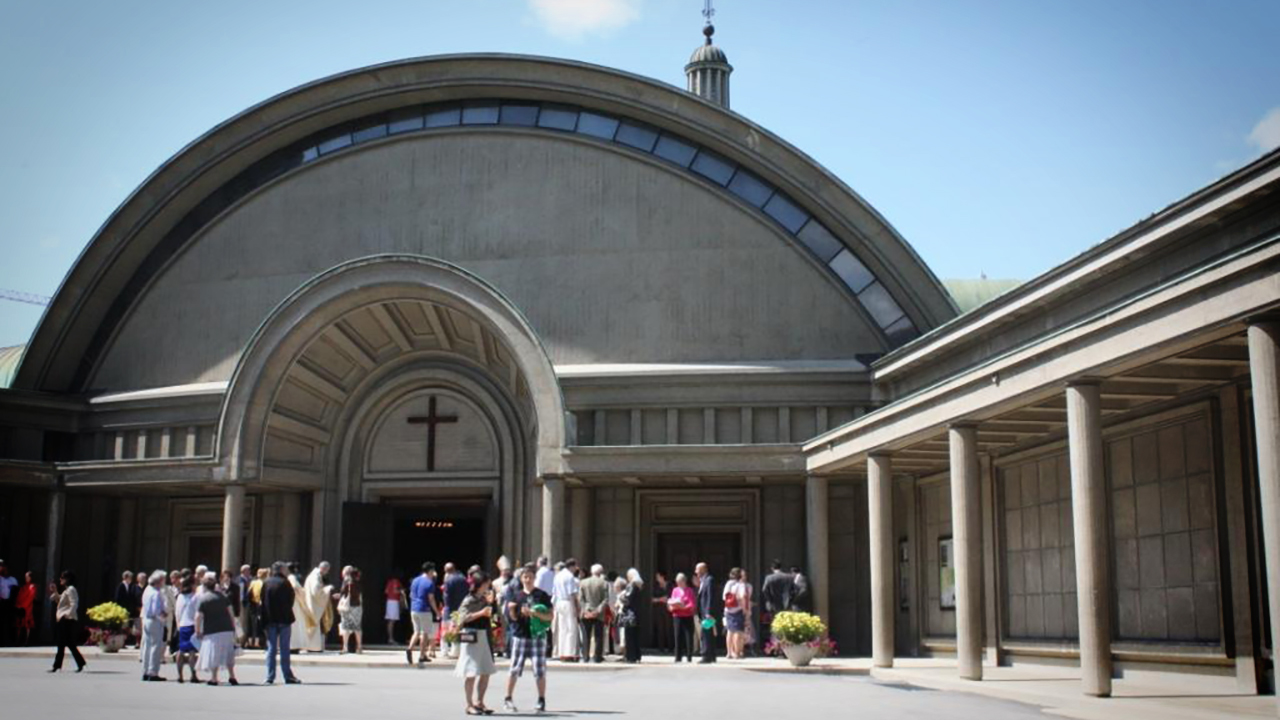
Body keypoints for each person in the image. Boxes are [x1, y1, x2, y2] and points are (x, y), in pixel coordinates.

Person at [504, 566, 552, 714]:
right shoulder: (516, 596)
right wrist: (512, 609)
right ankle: (508, 698)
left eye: (530, 576)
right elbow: (512, 618)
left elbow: (550, 616)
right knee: (514, 668)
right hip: (520, 635)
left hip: (537, 636)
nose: (528, 579)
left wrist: (534, 613)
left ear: (534, 578)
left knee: (539, 670)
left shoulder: (542, 595)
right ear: (521, 579)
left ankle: (541, 699)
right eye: (525, 577)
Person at [456, 570, 498, 715]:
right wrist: (481, 613)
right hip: (471, 636)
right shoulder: (469, 599)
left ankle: (480, 701)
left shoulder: (484, 598)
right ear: (480, 584)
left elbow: (494, 615)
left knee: (486, 670)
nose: (489, 586)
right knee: (471, 671)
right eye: (486, 583)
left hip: (484, 635)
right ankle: (469, 704)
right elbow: (461, 618)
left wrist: (492, 603)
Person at [195, 572, 240, 686]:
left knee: (214, 654)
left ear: (204, 587)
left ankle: (214, 678)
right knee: (229, 653)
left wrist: (197, 631)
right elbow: (231, 612)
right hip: (227, 629)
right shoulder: (223, 597)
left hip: (212, 630)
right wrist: (234, 628)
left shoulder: (203, 599)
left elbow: (198, 617)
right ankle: (232, 676)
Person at [262, 561, 302, 685]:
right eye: (285, 569)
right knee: (285, 648)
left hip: (270, 619)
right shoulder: (286, 583)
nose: (286, 571)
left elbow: (263, 601)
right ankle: (287, 675)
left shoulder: (266, 582)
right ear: (280, 570)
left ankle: (270, 676)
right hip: (284, 619)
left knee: (271, 649)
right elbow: (291, 599)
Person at [48, 570, 86, 673]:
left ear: (67, 579)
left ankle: (57, 665)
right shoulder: (67, 590)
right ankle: (80, 662)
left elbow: (74, 603)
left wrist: (67, 615)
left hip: (66, 620)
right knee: (69, 643)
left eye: (62, 578)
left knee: (62, 643)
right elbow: (59, 600)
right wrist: (55, 591)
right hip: (64, 619)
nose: (60, 579)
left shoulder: (71, 589)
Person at [407, 562, 439, 665]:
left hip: (414, 608)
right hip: (424, 609)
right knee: (424, 633)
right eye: (433, 570)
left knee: (416, 631)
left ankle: (410, 648)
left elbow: (411, 594)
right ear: (430, 571)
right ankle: (422, 655)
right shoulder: (429, 583)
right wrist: (437, 611)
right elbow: (431, 599)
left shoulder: (415, 580)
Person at [140, 570, 169, 681]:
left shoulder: (147, 590)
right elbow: (156, 610)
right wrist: (164, 615)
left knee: (147, 646)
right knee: (155, 647)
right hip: (155, 621)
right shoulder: (156, 593)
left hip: (147, 620)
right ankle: (153, 672)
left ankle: (145, 670)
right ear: (159, 581)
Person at [577, 564, 608, 663]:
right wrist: (597, 611)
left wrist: (586, 610)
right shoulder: (604, 583)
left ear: (591, 572)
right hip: (599, 614)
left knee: (586, 636)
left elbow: (580, 599)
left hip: (586, 612)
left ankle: (585, 657)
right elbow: (605, 599)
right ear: (600, 572)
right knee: (599, 636)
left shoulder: (583, 582)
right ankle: (597, 657)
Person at [551, 559, 580, 662]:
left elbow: (554, 592)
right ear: (572, 566)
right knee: (571, 629)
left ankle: (561, 652)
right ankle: (570, 653)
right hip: (568, 602)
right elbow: (572, 593)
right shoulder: (570, 576)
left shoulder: (557, 576)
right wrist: (576, 608)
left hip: (559, 602)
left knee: (562, 629)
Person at [174, 576, 201, 683]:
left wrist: (178, 624)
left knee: (181, 650)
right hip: (192, 625)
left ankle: (179, 675)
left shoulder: (180, 596)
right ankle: (193, 675)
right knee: (191, 651)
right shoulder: (195, 597)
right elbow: (198, 612)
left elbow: (177, 612)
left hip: (182, 624)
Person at [301, 561, 332, 652]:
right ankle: (313, 647)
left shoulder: (314, 575)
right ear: (324, 569)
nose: (327, 572)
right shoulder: (315, 576)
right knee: (314, 624)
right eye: (327, 570)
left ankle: (313, 646)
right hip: (313, 604)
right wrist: (327, 589)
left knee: (314, 625)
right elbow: (316, 592)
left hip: (312, 603)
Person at [442, 562, 470, 660]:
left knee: (446, 630)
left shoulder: (448, 580)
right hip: (461, 609)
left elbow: (446, 596)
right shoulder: (463, 579)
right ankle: (456, 651)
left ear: (447, 571)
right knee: (457, 630)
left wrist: (445, 606)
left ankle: (445, 651)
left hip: (449, 609)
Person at [667, 573, 695, 662]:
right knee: (677, 636)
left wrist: (683, 607)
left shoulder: (690, 590)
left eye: (679, 582)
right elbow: (672, 600)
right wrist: (672, 606)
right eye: (677, 582)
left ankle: (689, 656)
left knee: (688, 637)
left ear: (684, 581)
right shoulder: (675, 590)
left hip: (687, 616)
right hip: (677, 616)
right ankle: (677, 656)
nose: (678, 584)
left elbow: (692, 604)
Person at [617, 569, 643, 663]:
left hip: (629, 614)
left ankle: (631, 657)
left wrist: (620, 597)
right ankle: (637, 655)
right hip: (636, 613)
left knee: (629, 635)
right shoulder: (639, 585)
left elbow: (627, 599)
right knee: (635, 635)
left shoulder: (631, 585)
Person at [760, 561, 794, 632]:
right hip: (786, 603)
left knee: (774, 623)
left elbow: (764, 590)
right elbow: (793, 590)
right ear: (781, 568)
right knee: (786, 623)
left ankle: (775, 640)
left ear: (772, 568)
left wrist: (769, 599)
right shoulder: (789, 577)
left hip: (773, 604)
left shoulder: (769, 578)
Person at [722, 567, 747, 659]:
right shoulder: (741, 585)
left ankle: (729, 652)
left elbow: (724, 597)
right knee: (738, 631)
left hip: (728, 610)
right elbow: (742, 597)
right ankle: (736, 653)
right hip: (738, 610)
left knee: (729, 631)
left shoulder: (728, 584)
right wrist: (745, 609)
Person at [338, 566, 364, 654]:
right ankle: (359, 647)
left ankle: (345, 647)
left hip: (347, 607)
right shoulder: (358, 583)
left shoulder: (346, 582)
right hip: (357, 607)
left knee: (346, 627)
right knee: (357, 628)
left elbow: (342, 592)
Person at [695, 562, 716, 664]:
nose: (696, 572)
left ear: (703, 570)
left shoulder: (709, 580)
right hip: (703, 612)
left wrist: (708, 612)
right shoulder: (703, 581)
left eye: (697, 570)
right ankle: (711, 655)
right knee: (708, 633)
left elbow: (710, 597)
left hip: (707, 613)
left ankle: (706, 656)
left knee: (705, 634)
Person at [113, 570, 138, 647]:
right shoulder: (121, 586)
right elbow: (117, 598)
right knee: (122, 627)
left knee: (126, 626)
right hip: (122, 610)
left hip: (127, 610)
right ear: (126, 577)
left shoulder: (130, 586)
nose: (131, 579)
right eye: (130, 577)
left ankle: (124, 641)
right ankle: (121, 642)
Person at [649, 571, 672, 654]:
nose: (656, 578)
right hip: (659, 610)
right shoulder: (656, 586)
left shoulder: (669, 585)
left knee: (668, 628)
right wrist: (661, 599)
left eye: (658, 576)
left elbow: (669, 597)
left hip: (668, 609)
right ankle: (661, 647)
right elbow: (652, 599)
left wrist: (659, 599)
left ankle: (670, 647)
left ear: (662, 577)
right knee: (660, 628)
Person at [247, 568, 268, 649]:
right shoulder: (265, 583)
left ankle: (252, 642)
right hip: (262, 606)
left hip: (253, 605)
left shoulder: (253, 582)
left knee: (253, 625)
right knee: (262, 625)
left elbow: (248, 594)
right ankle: (262, 642)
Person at [15, 571, 37, 645]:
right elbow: (19, 597)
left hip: (27, 608)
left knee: (27, 624)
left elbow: (30, 597)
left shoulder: (32, 586)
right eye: (25, 577)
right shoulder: (23, 587)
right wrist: (18, 605)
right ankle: (18, 640)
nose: (26, 578)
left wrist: (23, 605)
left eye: (28, 577)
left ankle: (26, 641)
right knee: (19, 623)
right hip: (20, 607)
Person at [384, 569, 406, 645]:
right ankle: (390, 639)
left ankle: (390, 638)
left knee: (390, 621)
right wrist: (401, 591)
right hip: (394, 601)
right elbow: (395, 591)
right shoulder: (396, 581)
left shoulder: (389, 581)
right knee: (392, 621)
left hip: (389, 601)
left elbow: (386, 591)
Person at [0, 560, 16, 646]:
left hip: (8, 603)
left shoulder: (12, 580)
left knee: (8, 622)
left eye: (3, 566)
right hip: (1, 602)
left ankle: (8, 641)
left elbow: (16, 592)